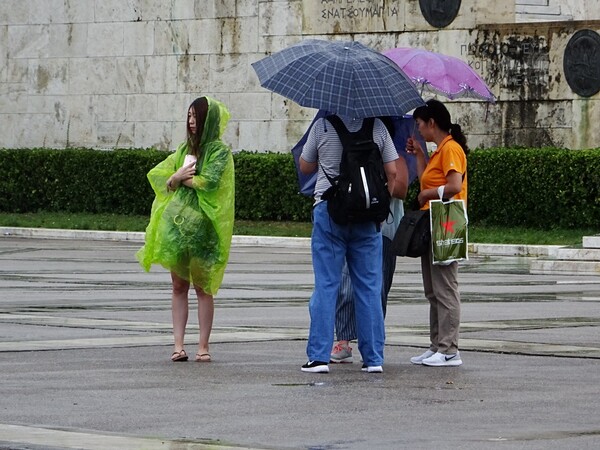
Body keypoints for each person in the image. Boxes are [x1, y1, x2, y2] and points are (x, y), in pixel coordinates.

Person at [136, 96, 235, 363]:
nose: (191, 122)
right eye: (189, 116)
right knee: (178, 286)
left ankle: (203, 346)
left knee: (203, 288)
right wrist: (176, 178)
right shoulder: (183, 149)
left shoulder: (218, 152)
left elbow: (210, 182)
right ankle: (178, 345)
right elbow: (162, 176)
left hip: (204, 231)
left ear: (208, 120)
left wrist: (179, 179)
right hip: (177, 230)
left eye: (196, 117)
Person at [299, 114, 398, 374]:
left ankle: (319, 357)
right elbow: (393, 171)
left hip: (330, 212)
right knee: (368, 287)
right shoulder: (378, 128)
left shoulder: (322, 125)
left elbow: (306, 165)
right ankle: (374, 358)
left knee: (327, 284)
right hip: (367, 215)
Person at [330, 116, 412, 364]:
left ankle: (374, 341)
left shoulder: (393, 152)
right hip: (355, 223)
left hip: (384, 228)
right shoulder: (353, 148)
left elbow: (403, 187)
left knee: (377, 287)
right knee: (346, 284)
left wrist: (380, 184)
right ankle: (343, 339)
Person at [405, 99, 468, 367]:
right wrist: (420, 156)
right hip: (433, 222)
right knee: (433, 290)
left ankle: (450, 348)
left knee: (445, 288)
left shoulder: (451, 149)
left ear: (432, 123)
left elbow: (453, 185)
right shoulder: (438, 151)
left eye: (420, 124)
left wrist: (428, 194)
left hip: (446, 222)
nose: (418, 129)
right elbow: (427, 181)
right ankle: (437, 345)